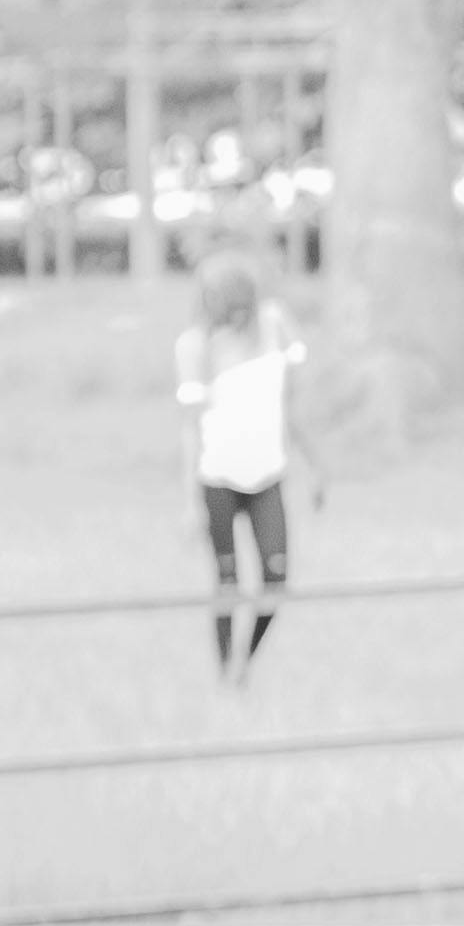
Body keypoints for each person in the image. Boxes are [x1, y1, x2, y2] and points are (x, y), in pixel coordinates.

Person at [174, 251, 317, 685]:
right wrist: (189, 503)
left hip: (267, 474)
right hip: (216, 477)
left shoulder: (274, 325)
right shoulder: (194, 346)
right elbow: (190, 429)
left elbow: (291, 401)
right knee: (228, 584)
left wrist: (314, 466)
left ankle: (244, 661)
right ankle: (225, 676)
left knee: (275, 579)